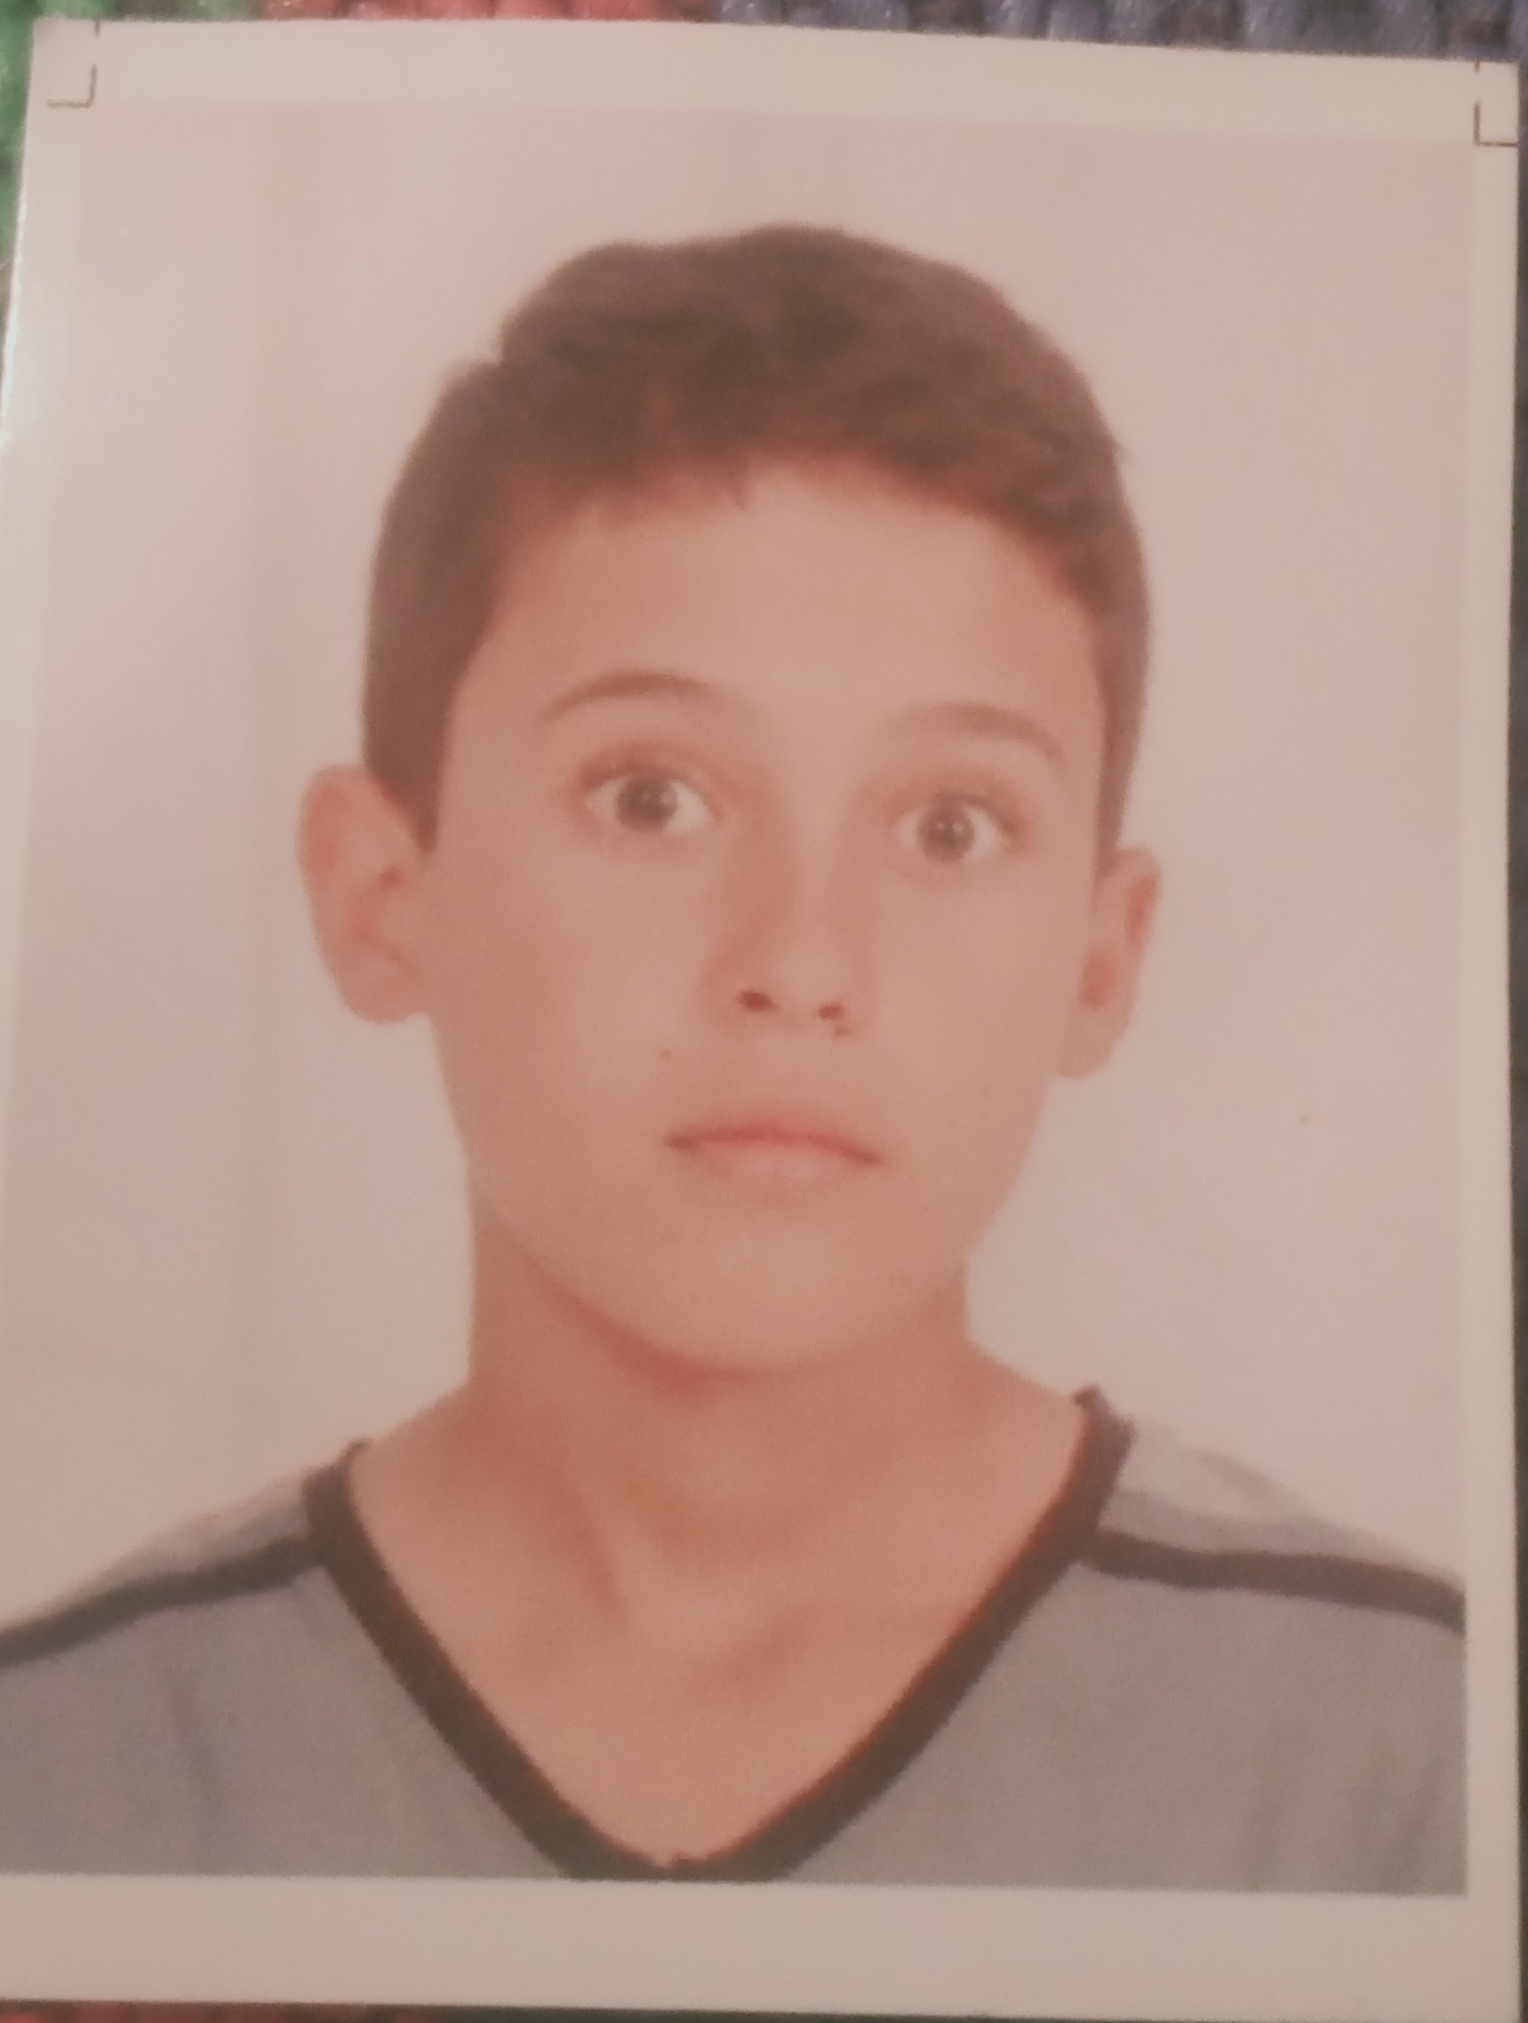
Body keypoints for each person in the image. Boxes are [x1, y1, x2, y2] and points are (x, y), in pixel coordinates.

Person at [0, 224, 1462, 1889]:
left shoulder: (1411, 1757)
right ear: (383, 893)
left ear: (1099, 958)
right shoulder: (60, 1776)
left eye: (951, 824)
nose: (800, 964)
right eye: (654, 798)